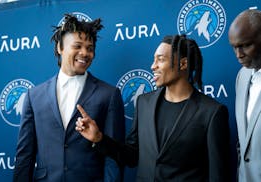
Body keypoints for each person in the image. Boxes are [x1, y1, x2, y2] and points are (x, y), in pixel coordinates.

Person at [75, 34, 231, 181]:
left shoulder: (212, 112)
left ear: (183, 64)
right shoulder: (144, 103)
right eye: (153, 60)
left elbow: (218, 176)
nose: (153, 66)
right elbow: (132, 156)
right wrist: (99, 139)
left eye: (160, 60)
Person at [13, 14, 125, 182]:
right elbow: (24, 155)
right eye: (77, 46)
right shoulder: (34, 96)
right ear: (60, 47)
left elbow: (114, 157)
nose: (85, 53)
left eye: (90, 48)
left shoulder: (109, 95)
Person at [228, 9, 261, 182]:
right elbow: (244, 140)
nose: (238, 55)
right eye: (234, 47)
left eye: (245, 45)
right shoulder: (242, 76)